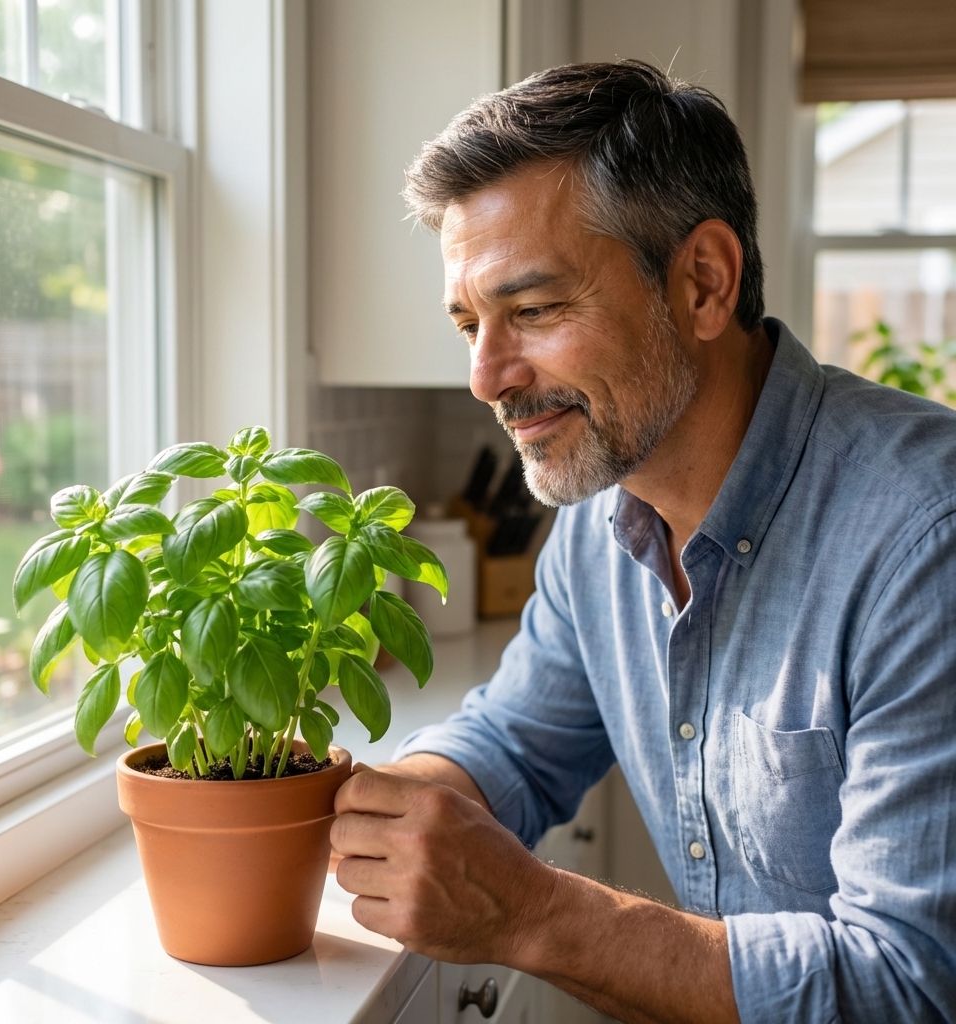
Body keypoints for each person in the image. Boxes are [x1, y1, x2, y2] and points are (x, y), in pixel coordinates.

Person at [328, 61, 956, 1024]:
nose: (486, 377)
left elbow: (908, 987)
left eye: (533, 310)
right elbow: (517, 742)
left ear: (704, 282)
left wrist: (535, 914)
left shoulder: (925, 539)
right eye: (468, 323)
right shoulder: (598, 527)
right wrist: (390, 805)